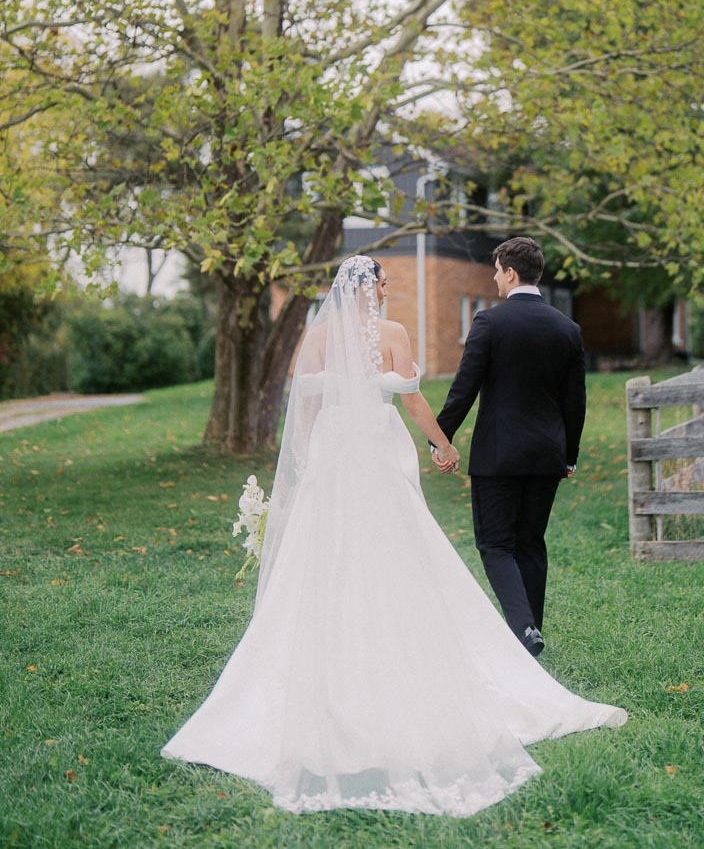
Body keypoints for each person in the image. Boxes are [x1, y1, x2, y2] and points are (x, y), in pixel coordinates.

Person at [161, 255, 625, 817]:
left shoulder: (318, 337)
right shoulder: (393, 333)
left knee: (332, 554)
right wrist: (444, 445)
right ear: (369, 287)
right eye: (382, 282)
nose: (385, 290)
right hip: (376, 450)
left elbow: (304, 407)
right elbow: (410, 397)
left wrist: (305, 460)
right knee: (397, 547)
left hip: (336, 451)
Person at [433, 237, 584, 656]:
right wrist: (568, 454)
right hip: (546, 455)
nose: (495, 278)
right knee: (531, 541)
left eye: (497, 270)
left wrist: (439, 438)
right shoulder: (567, 329)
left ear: (511, 272)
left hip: (497, 456)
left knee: (496, 544)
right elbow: (576, 402)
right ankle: (530, 629)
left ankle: (522, 629)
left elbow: (465, 388)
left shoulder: (489, 323)